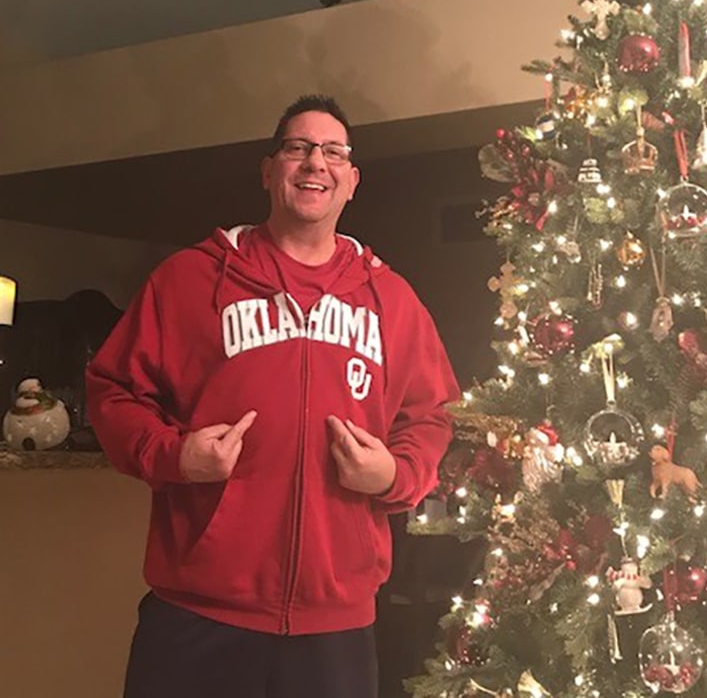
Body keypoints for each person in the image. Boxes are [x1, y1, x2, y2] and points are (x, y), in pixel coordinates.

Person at [86, 93, 460, 698]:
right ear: (269, 171)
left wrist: (394, 472)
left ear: (351, 181)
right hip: (197, 615)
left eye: (333, 151)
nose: (316, 162)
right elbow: (113, 390)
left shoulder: (391, 299)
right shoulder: (189, 280)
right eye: (298, 148)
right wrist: (175, 454)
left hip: (335, 626)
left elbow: (433, 414)